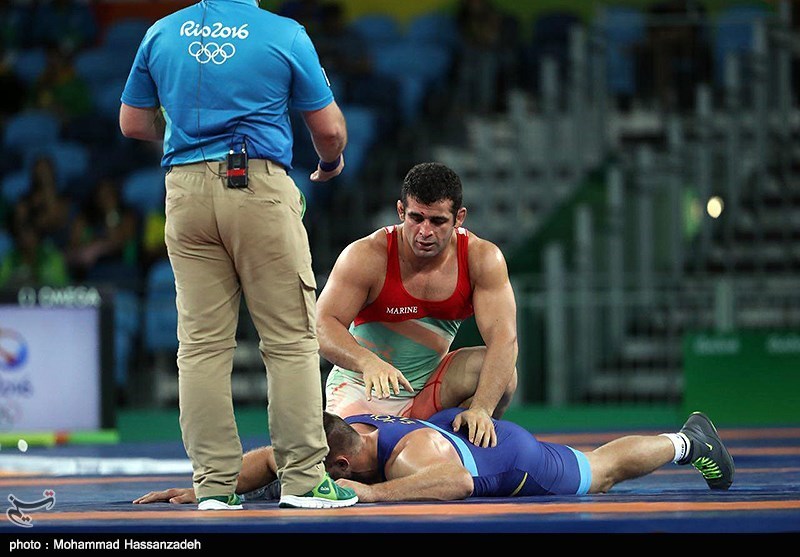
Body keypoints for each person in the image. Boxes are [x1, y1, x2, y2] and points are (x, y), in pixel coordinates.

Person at [118, 0, 355, 511]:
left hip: (183, 194)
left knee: (200, 347)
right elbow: (331, 130)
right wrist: (330, 162)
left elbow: (133, 122)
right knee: (290, 340)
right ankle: (303, 481)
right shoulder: (283, 33)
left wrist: (185, 139)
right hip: (257, 187)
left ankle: (214, 487)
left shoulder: (161, 33)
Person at [133, 408, 735, 505]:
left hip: (501, 460)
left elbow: (454, 484)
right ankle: (686, 441)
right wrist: (207, 490)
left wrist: (369, 496)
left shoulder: (402, 461)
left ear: (341, 468)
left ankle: (689, 442)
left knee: (598, 472)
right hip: (456, 431)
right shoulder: (344, 433)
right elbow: (269, 459)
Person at [319, 162, 518, 448]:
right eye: (416, 218)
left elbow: (504, 340)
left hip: (429, 391)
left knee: (504, 373)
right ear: (401, 211)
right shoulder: (367, 255)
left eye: (437, 221)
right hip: (365, 388)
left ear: (459, 218)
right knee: (350, 458)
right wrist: (366, 362)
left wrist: (483, 408)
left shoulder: (481, 259)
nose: (424, 232)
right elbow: (322, 324)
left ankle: (470, 445)